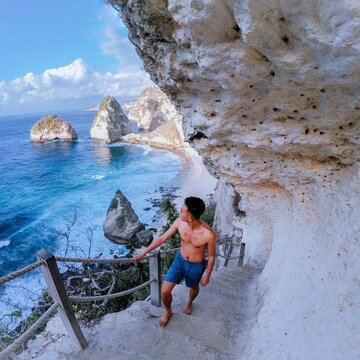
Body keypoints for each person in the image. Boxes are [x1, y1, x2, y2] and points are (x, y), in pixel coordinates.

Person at [133, 196, 217, 326]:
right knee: (165, 291)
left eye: (182, 211)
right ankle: (168, 311)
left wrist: (208, 276)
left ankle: (189, 302)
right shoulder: (179, 222)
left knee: (194, 287)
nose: (179, 211)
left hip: (196, 266)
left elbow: (211, 256)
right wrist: (144, 253)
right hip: (179, 261)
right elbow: (162, 239)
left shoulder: (208, 234)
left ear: (190, 217)